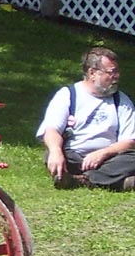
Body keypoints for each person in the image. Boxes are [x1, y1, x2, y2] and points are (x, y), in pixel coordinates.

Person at [37, 46, 135, 191]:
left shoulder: (121, 100)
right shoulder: (68, 95)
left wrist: (103, 153)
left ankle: (83, 180)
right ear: (92, 73)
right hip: (75, 157)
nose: (116, 76)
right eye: (111, 72)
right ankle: (117, 181)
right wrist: (56, 152)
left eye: (117, 72)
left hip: (109, 159)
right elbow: (51, 130)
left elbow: (129, 141)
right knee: (52, 153)